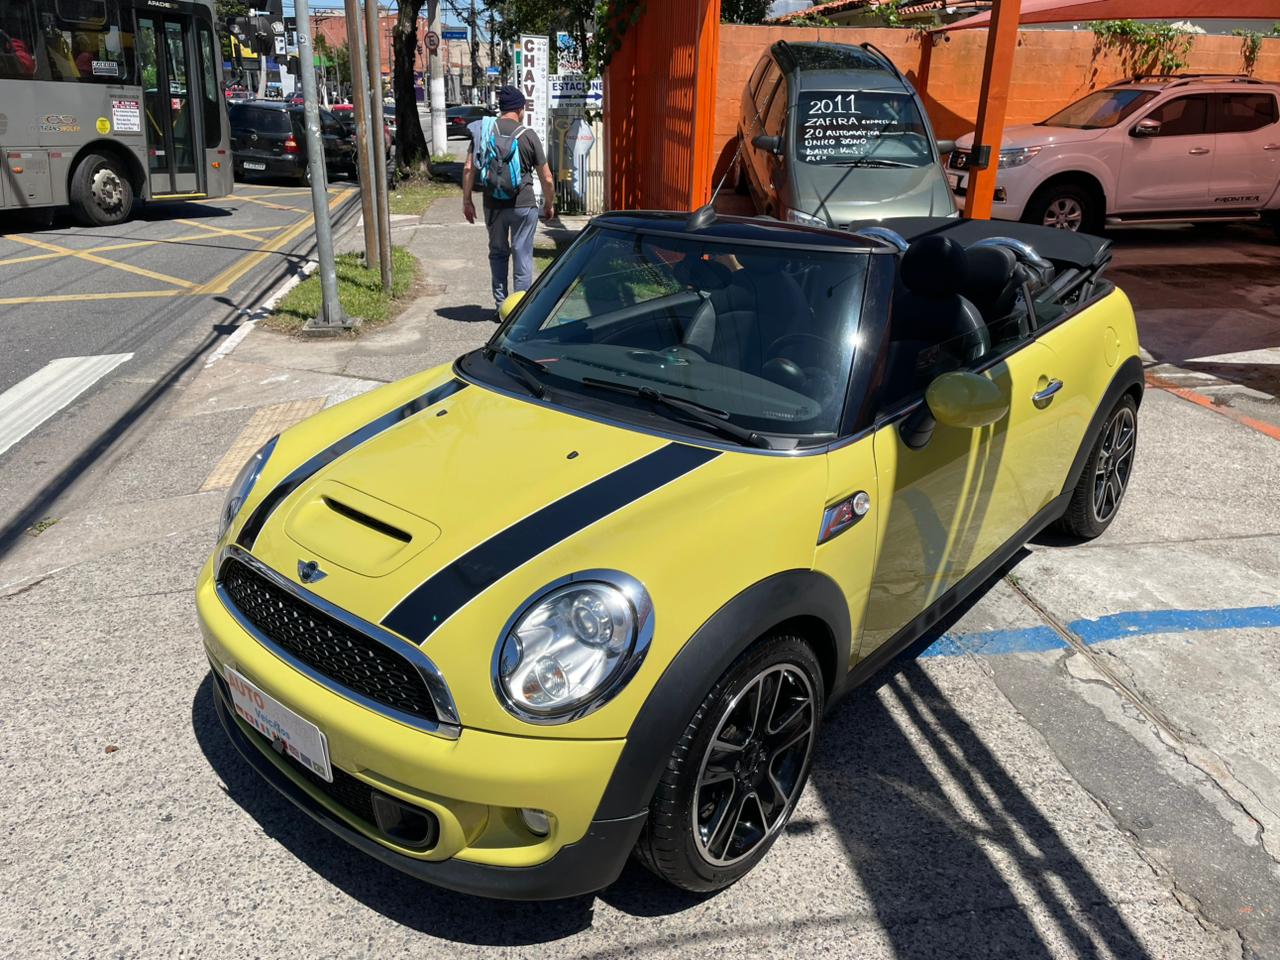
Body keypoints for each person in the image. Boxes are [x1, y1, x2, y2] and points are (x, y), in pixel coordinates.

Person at [462, 85, 555, 319]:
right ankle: (519, 312)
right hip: (523, 204)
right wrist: (549, 204)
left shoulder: (484, 132)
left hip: (493, 205)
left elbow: (468, 168)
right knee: (522, 254)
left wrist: (467, 201)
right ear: (520, 108)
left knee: (497, 253)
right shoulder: (528, 135)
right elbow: (546, 178)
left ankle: (500, 307)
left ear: (501, 108)